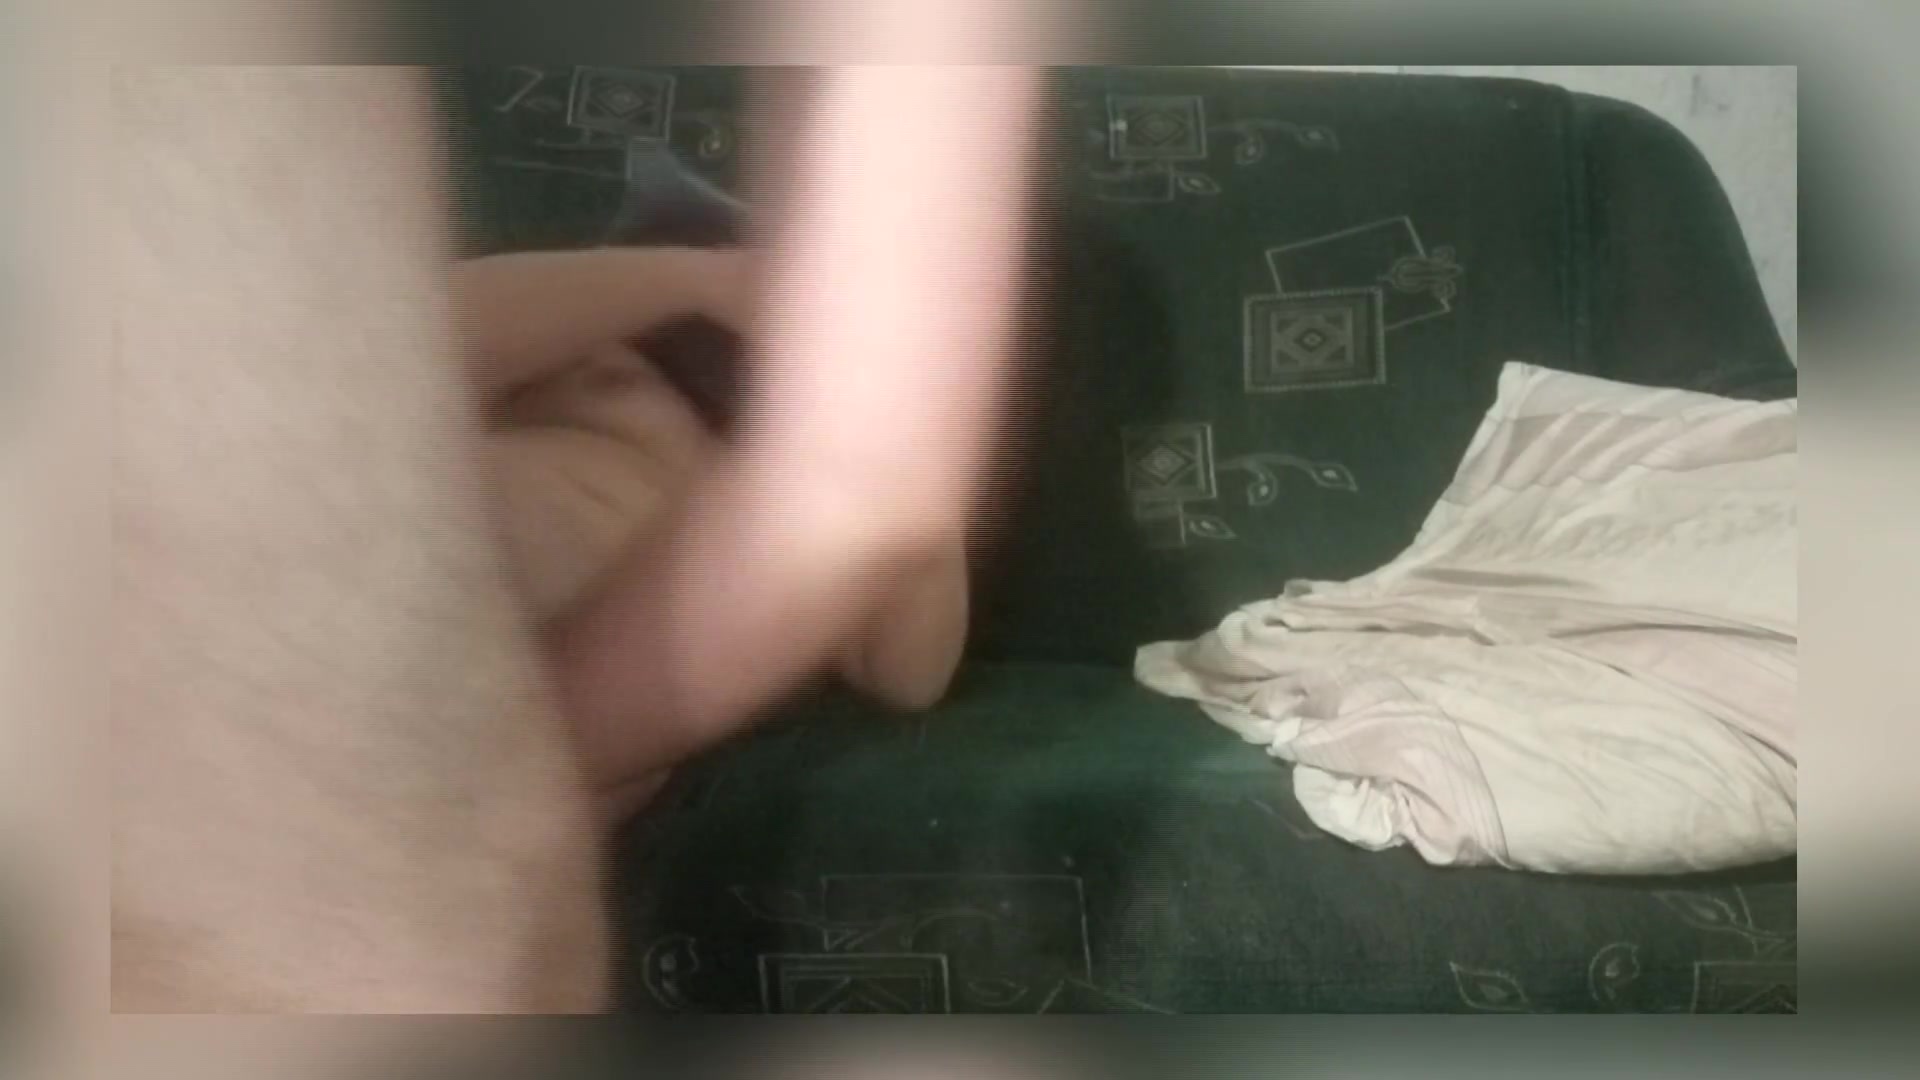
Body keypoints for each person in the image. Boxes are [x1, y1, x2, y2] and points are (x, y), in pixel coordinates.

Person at [456, 244, 971, 820]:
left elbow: (909, 676)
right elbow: (419, 345)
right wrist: (705, 279)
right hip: (421, 569)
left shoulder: (853, 481)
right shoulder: (599, 356)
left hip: (521, 724)